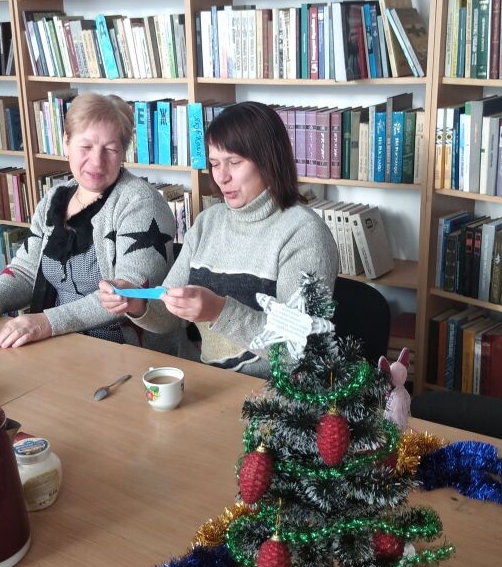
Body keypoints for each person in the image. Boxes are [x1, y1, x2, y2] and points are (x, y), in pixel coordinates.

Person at [99, 102, 339, 377]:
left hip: (275, 393)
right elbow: (168, 316)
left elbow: (299, 348)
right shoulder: (207, 223)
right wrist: (137, 303)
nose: (222, 177)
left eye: (234, 162)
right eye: (214, 164)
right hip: (209, 383)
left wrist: (219, 312)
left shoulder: (305, 234)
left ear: (269, 160)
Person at [0, 93, 176, 348]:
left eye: (111, 149)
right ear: (66, 142)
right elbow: (26, 271)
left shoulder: (141, 203)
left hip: (122, 349)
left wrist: (47, 322)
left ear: (123, 152)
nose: (97, 161)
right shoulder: (55, 198)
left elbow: (127, 293)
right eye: (86, 146)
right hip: (56, 340)